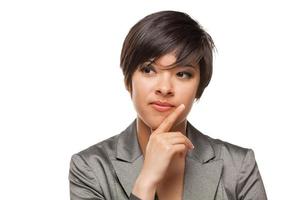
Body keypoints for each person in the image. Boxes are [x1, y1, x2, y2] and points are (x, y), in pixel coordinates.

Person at [69, 10, 267, 200]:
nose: (164, 88)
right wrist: (145, 182)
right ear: (128, 80)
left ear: (199, 87)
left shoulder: (239, 166)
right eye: (148, 70)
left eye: (182, 74)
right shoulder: (90, 167)